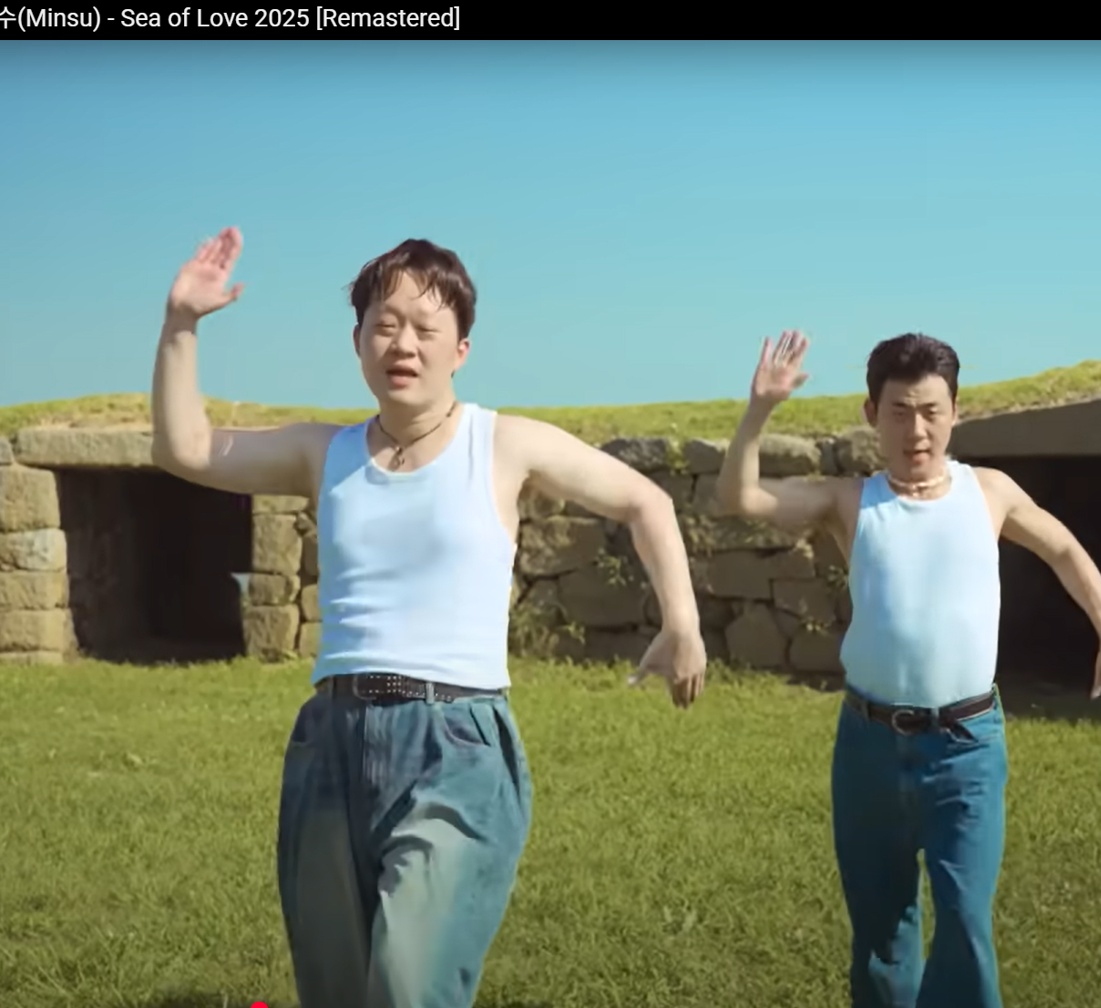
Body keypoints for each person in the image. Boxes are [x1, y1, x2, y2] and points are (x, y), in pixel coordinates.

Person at [148, 226, 707, 1008]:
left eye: (424, 327)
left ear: (461, 349)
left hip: (456, 743)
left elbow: (644, 501)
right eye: (384, 324)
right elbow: (185, 448)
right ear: (357, 342)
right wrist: (181, 323)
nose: (402, 343)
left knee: (409, 984)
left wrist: (682, 623)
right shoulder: (325, 452)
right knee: (337, 991)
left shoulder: (502, 444)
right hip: (331, 740)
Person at [715, 330, 1101, 1008]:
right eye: (899, 412)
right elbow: (741, 498)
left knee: (965, 923)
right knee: (881, 934)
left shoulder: (989, 492)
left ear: (955, 412)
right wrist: (759, 410)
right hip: (868, 746)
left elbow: (1065, 548)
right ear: (872, 415)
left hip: (965, 748)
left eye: (930, 411)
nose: (916, 430)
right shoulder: (850, 501)